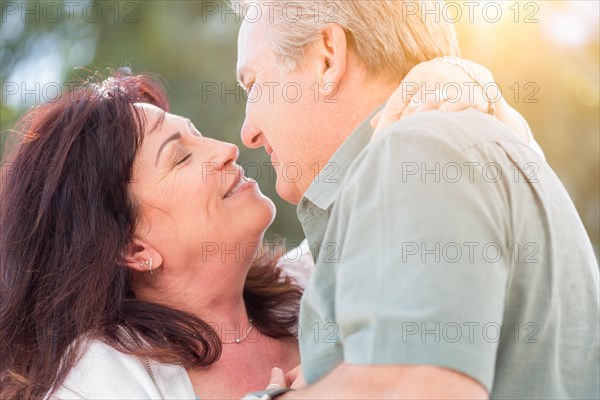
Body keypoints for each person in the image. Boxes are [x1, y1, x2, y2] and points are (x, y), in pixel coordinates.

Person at [0, 60, 520, 399]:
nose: (227, 149)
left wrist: (453, 83)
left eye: (199, 135)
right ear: (133, 247)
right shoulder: (93, 379)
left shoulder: (317, 278)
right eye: (181, 157)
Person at [234, 1, 600, 399]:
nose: (247, 133)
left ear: (328, 57)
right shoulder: (446, 149)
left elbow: (422, 389)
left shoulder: (411, 153)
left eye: (253, 85)